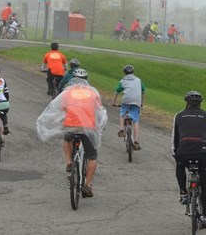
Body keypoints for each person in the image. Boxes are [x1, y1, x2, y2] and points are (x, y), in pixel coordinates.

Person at [35, 68, 107, 197]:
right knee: (92, 156)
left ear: (73, 79)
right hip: (88, 128)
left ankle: (69, 162)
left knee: (66, 138)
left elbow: (62, 107)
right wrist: (100, 125)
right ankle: (88, 185)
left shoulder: (67, 92)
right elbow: (98, 110)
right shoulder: (93, 92)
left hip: (71, 125)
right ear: (87, 80)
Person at [172, 91, 206, 229]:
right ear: (200, 104)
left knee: (179, 165)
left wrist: (175, 154)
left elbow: (175, 138)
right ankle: (204, 216)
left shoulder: (179, 116)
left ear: (186, 102)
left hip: (184, 152)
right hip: (203, 153)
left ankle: (183, 193)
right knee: (205, 183)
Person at [112, 65, 146, 150]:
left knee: (122, 114)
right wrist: (141, 103)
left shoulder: (123, 81)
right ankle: (136, 141)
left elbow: (116, 92)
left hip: (126, 100)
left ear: (124, 72)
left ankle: (121, 130)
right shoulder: (138, 80)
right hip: (136, 101)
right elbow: (144, 91)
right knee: (136, 120)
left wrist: (114, 102)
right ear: (133, 72)